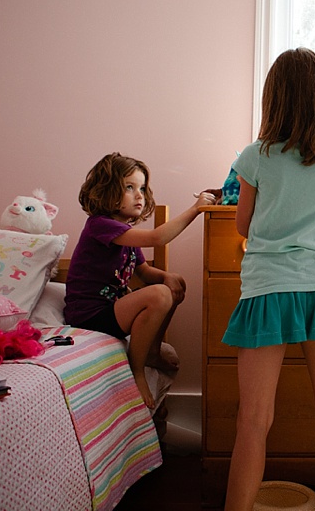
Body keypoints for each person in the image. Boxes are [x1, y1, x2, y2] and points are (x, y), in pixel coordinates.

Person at [222, 48, 315, 511]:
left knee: (254, 419)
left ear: (275, 99)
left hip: (268, 289)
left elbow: (244, 225)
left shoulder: (256, 157)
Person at [64, 152, 219, 409]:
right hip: (88, 316)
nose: (140, 195)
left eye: (143, 188)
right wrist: (195, 209)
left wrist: (169, 277)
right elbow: (158, 238)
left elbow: (145, 272)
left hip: (111, 312)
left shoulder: (126, 232)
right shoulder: (100, 225)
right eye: (129, 187)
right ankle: (136, 370)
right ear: (106, 191)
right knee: (159, 294)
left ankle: (152, 351)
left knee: (171, 285)